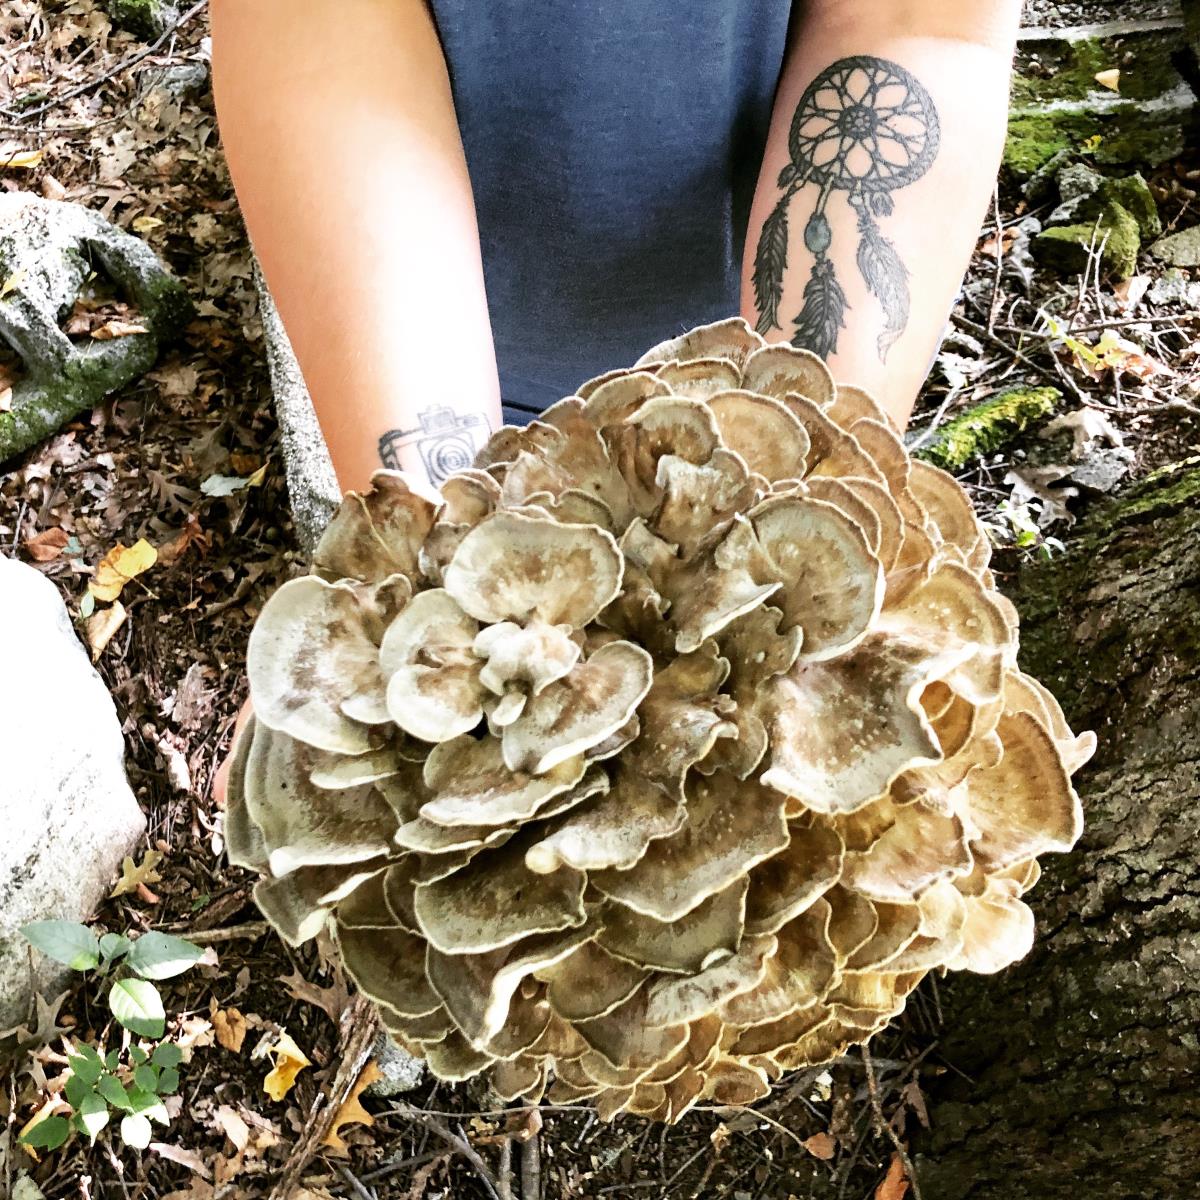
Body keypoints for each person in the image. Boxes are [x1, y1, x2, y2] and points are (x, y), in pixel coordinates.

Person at [209, 0, 1020, 793]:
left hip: (756, 352)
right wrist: (433, 596)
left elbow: (917, 23)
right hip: (423, 349)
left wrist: (799, 523)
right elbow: (313, 26)